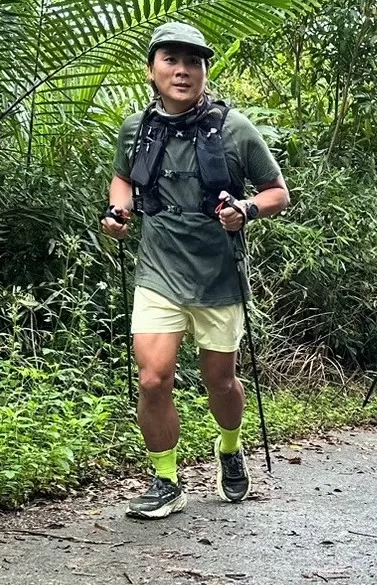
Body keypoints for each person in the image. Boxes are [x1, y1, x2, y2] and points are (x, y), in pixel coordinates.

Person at [100, 22, 289, 519]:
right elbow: (123, 179)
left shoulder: (235, 128)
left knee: (219, 382)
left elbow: (278, 193)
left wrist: (246, 209)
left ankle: (229, 445)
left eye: (194, 62)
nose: (182, 70)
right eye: (171, 60)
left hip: (217, 275)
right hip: (158, 271)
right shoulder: (136, 128)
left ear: (205, 70)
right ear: (152, 69)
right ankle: (165, 479)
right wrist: (119, 212)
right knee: (152, 380)